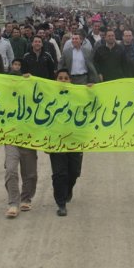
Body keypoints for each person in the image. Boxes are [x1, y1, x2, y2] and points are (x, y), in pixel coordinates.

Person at [49, 69, 86, 217]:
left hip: (75, 140)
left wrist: (91, 90)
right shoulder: (47, 96)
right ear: (55, 80)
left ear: (70, 80)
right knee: (59, 173)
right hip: (56, 141)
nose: (63, 81)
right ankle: (61, 202)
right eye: (60, 78)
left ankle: (68, 189)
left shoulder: (78, 96)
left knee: (74, 171)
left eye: (66, 78)